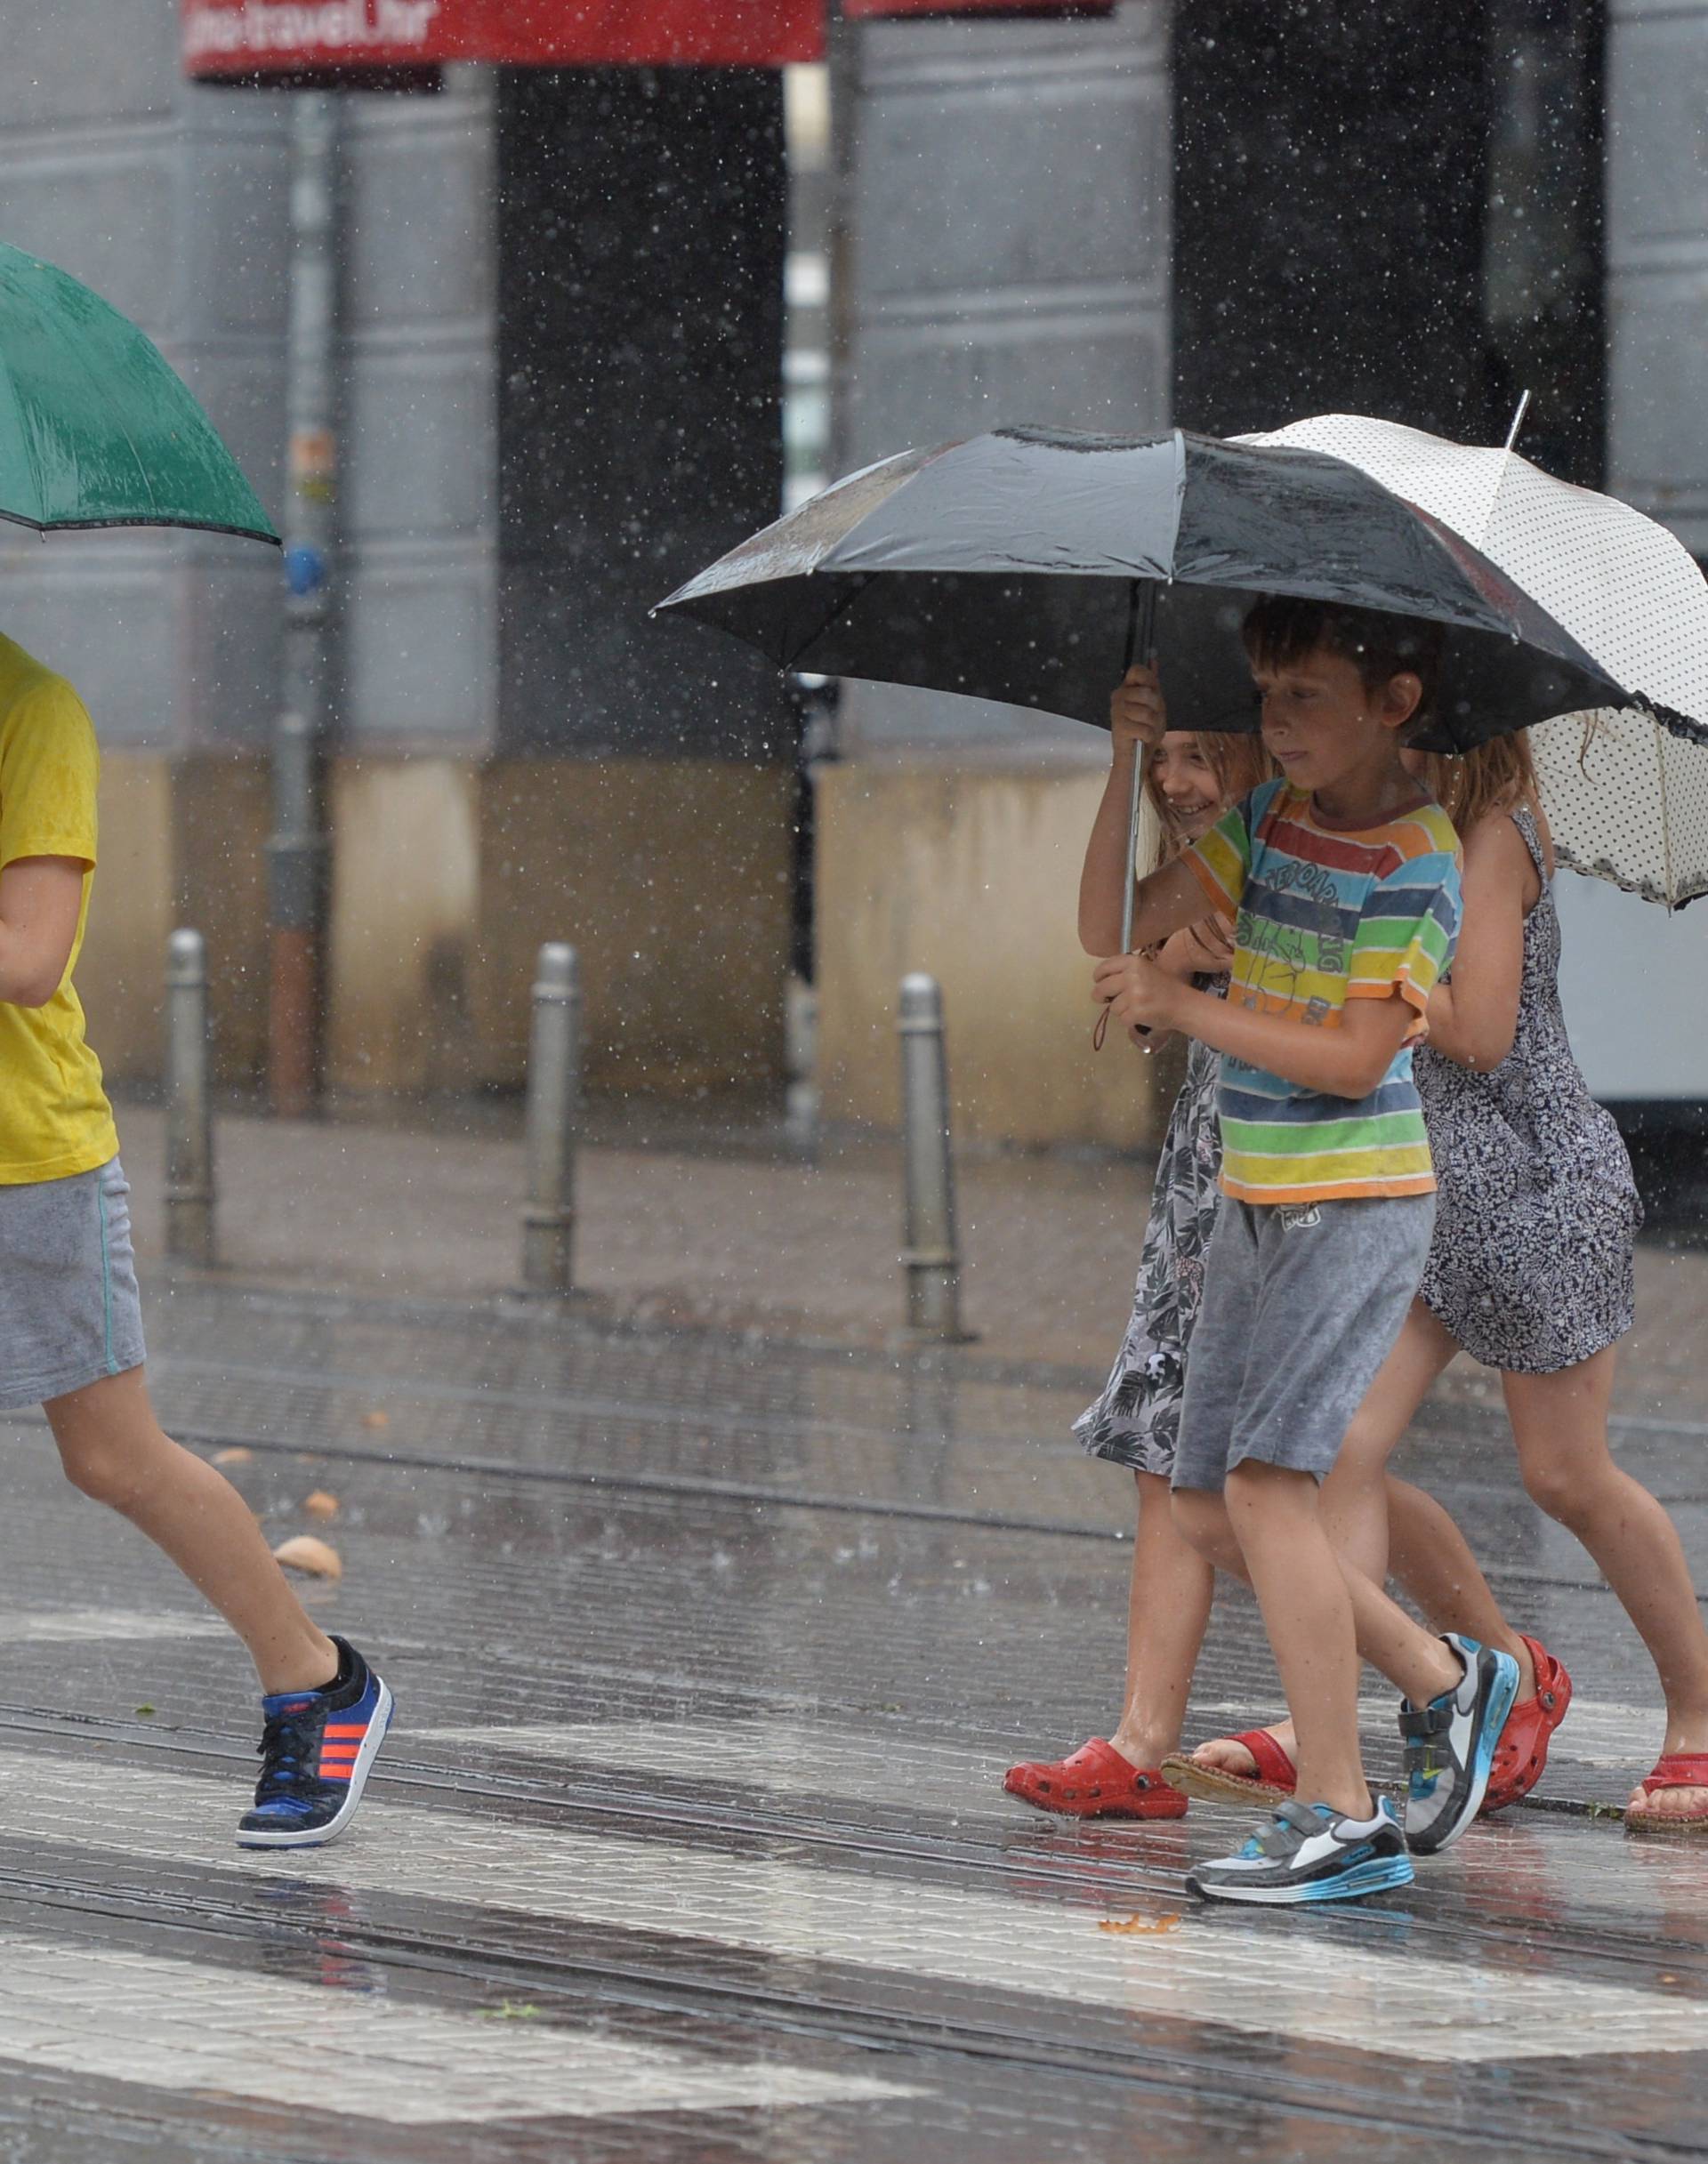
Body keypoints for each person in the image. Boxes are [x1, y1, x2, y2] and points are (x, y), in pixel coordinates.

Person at [1180, 726, 1708, 1832]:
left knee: (1565, 1476)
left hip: (1532, 1193)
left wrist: (1357, 983)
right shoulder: (1376, 834)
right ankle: (1455, 1683)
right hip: (1420, 1194)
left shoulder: (1488, 838)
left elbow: (1481, 1031)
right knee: (1338, 1457)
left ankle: (1698, 1716)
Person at [1095, 596, 1519, 1905]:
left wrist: (1184, 1007)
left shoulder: (1421, 856)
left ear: (1394, 704)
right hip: (1258, 1199)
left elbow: (1350, 1057)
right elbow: (1118, 923)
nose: (1277, 726)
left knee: (1271, 1490)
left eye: (1306, 699)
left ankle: (1341, 1811)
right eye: (1268, 697)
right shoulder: (1270, 822)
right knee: (1209, 1494)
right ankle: (1449, 1682)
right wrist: (1124, 761)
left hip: (1356, 1202)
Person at [0, 631, 391, 1846]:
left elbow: (28, 956)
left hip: (27, 1160)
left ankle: (316, 1679)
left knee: (112, 1459)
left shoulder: (32, 710)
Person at [1005, 721, 1271, 1820]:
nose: (1178, 779)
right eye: (1168, 755)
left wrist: (1204, 972)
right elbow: (1105, 929)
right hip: (1207, 1176)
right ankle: (1141, 1740)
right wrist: (1118, 754)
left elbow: (1373, 1025)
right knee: (1166, 1449)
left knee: (1294, 1479)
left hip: (1302, 1185)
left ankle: (1469, 1666)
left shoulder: (1324, 843)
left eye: (1202, 753)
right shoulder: (1231, 848)